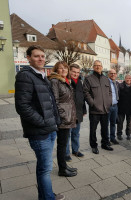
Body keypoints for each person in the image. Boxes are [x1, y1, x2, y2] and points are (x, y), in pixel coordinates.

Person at [15, 45, 65, 200]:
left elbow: (50, 102)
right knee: (45, 169)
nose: (41, 59)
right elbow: (22, 106)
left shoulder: (42, 75)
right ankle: (48, 197)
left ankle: (45, 195)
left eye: (43, 56)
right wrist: (42, 122)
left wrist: (55, 122)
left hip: (49, 129)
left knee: (44, 167)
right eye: (36, 56)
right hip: (39, 131)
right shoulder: (25, 76)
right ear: (29, 57)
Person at [48, 61, 77, 177]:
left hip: (68, 117)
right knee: (62, 145)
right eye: (61, 68)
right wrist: (62, 115)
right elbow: (54, 101)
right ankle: (62, 169)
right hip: (63, 118)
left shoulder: (64, 81)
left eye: (66, 68)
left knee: (63, 144)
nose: (64, 70)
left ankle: (64, 166)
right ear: (56, 70)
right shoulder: (55, 81)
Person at [83, 60, 113, 154]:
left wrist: (109, 102)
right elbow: (85, 92)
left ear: (102, 67)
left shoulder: (106, 79)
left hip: (105, 109)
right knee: (93, 129)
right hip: (95, 110)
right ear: (93, 67)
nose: (98, 67)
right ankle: (94, 145)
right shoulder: (88, 79)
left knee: (105, 128)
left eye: (99, 65)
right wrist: (92, 103)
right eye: (96, 65)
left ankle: (105, 143)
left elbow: (110, 92)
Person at [65, 64, 87, 162]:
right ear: (69, 71)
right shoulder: (66, 81)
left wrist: (84, 110)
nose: (75, 74)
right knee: (67, 134)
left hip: (78, 112)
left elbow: (81, 98)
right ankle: (66, 154)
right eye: (74, 72)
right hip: (68, 113)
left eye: (78, 72)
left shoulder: (79, 82)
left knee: (76, 133)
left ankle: (75, 150)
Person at [117, 74, 131, 140]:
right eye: (127, 78)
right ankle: (119, 134)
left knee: (129, 123)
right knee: (120, 122)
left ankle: (128, 134)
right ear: (125, 79)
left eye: (130, 78)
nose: (128, 80)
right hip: (121, 107)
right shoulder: (120, 86)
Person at [107, 69, 120, 145]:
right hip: (108, 106)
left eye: (114, 73)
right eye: (111, 73)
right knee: (106, 124)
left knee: (113, 123)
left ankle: (113, 138)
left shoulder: (117, 83)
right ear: (108, 74)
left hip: (115, 106)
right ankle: (106, 139)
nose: (113, 75)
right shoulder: (106, 83)